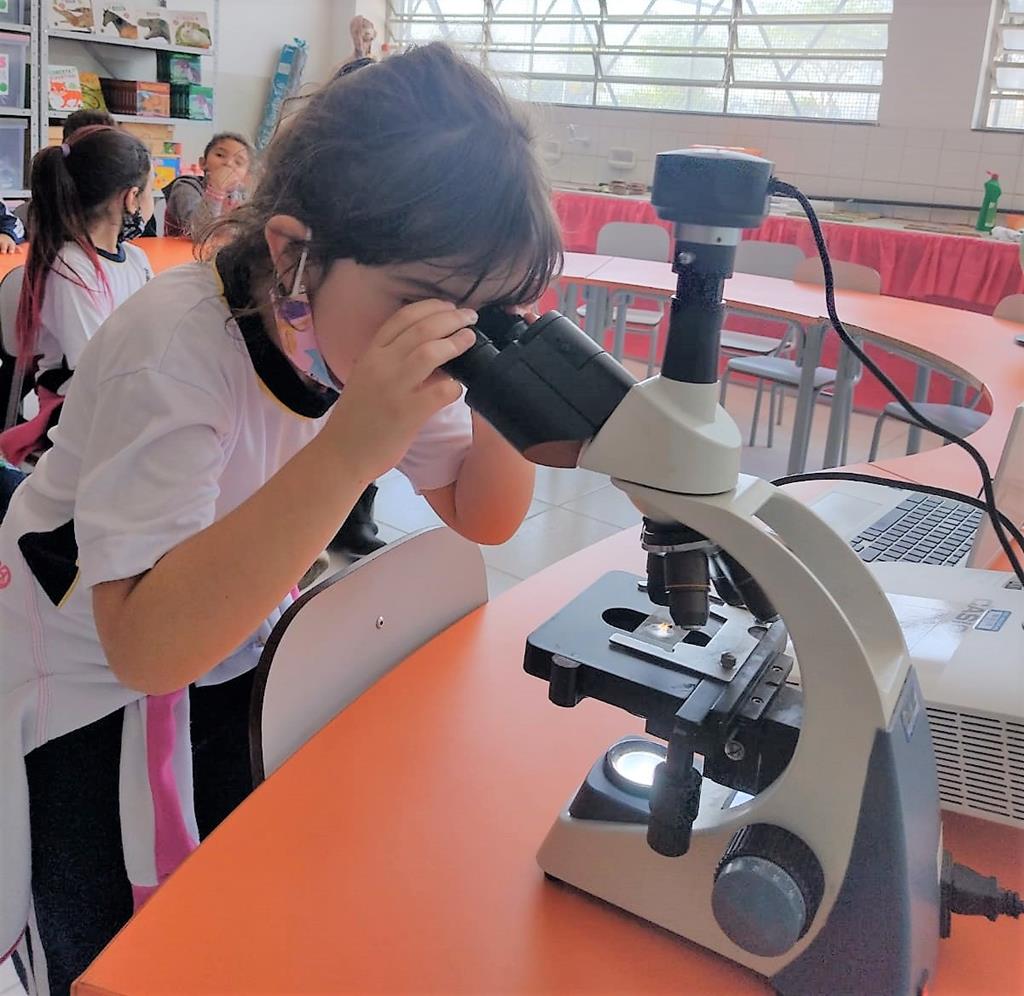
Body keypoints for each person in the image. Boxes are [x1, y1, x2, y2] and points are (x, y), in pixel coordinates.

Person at [0, 42, 560, 994]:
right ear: (296, 253)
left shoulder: (361, 334)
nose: (448, 342)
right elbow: (145, 645)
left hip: (227, 634)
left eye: (484, 313)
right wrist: (354, 449)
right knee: (106, 942)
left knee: (219, 901)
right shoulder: (174, 351)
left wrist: (512, 374)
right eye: (432, 306)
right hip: (87, 678)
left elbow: (483, 511)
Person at [0, 125, 154, 466]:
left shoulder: (137, 260)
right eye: (150, 192)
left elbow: (157, 333)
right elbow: (92, 365)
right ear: (130, 198)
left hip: (122, 396)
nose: (150, 202)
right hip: (76, 410)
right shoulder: (70, 266)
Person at [163, 131, 254, 240]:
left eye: (238, 162)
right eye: (220, 155)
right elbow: (200, 233)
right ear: (203, 163)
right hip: (180, 254)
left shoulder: (241, 197)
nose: (228, 163)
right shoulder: (186, 186)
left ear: (245, 176)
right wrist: (217, 189)